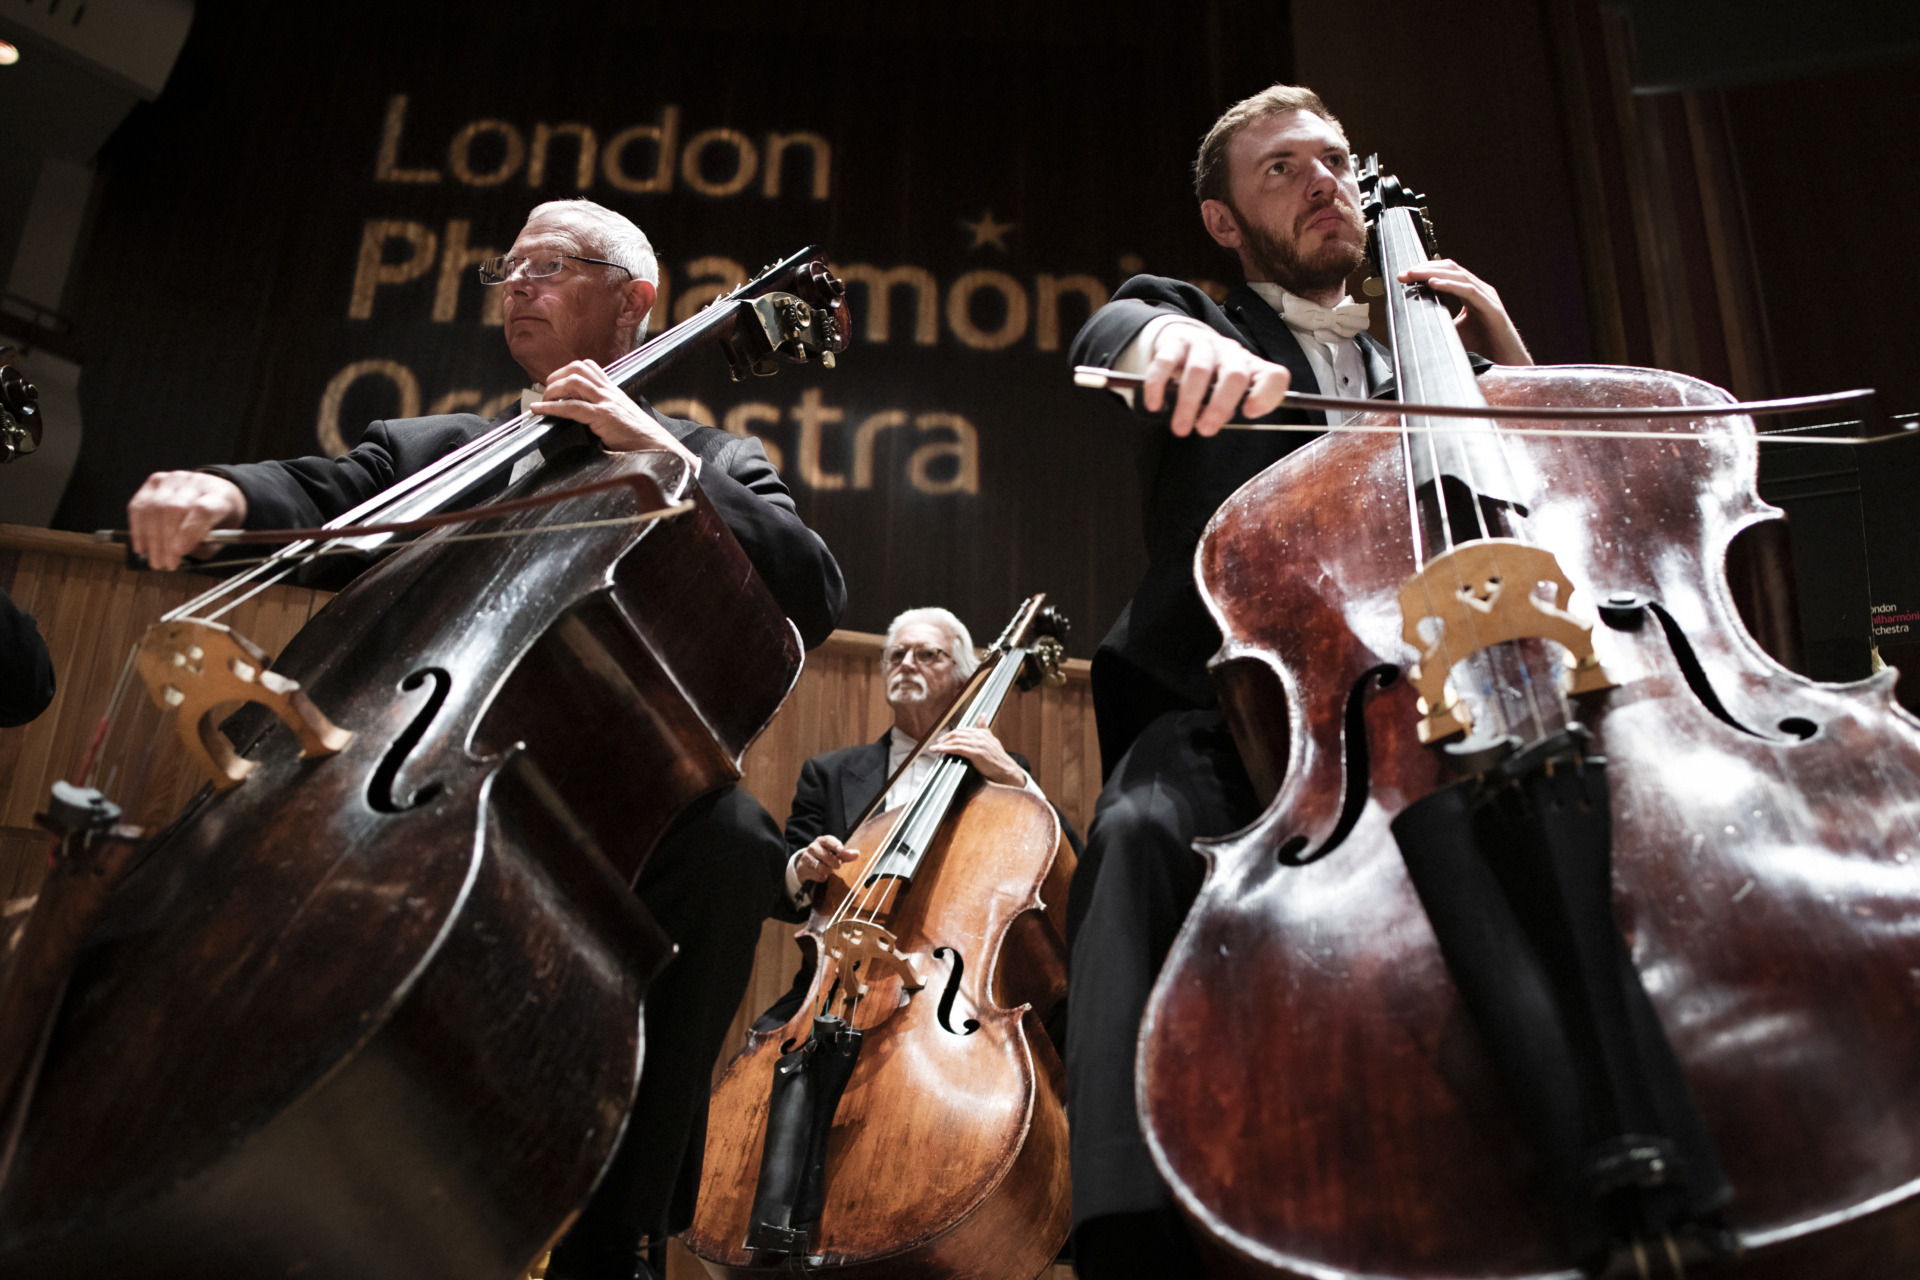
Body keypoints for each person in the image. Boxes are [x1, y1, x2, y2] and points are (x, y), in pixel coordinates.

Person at [124, 198, 846, 1280]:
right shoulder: (454, 446)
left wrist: (654, 450)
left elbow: (810, 582)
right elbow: (326, 497)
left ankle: (627, 1232)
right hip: (416, 758)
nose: (518, 286)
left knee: (734, 839)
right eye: (507, 269)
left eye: (549, 265)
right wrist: (224, 488)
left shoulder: (707, 452)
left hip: (610, 786)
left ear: (634, 301)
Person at [1062, 84, 1533, 1278]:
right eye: (1281, 170)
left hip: (1452, 685)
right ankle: (1130, 1226)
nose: (1322, 181)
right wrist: (1169, 344)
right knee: (1137, 827)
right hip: (1240, 699)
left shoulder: (1427, 345)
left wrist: (1514, 371)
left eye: (1333, 162)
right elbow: (1118, 331)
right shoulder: (1196, 314)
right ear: (1224, 221)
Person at [756, 606, 1077, 1032]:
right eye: (896, 655)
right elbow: (782, 895)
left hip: (952, 992)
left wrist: (1015, 778)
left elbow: (1068, 866)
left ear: (966, 679)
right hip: (836, 988)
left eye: (928, 655)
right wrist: (803, 867)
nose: (907, 663)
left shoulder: (1001, 775)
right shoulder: (829, 773)